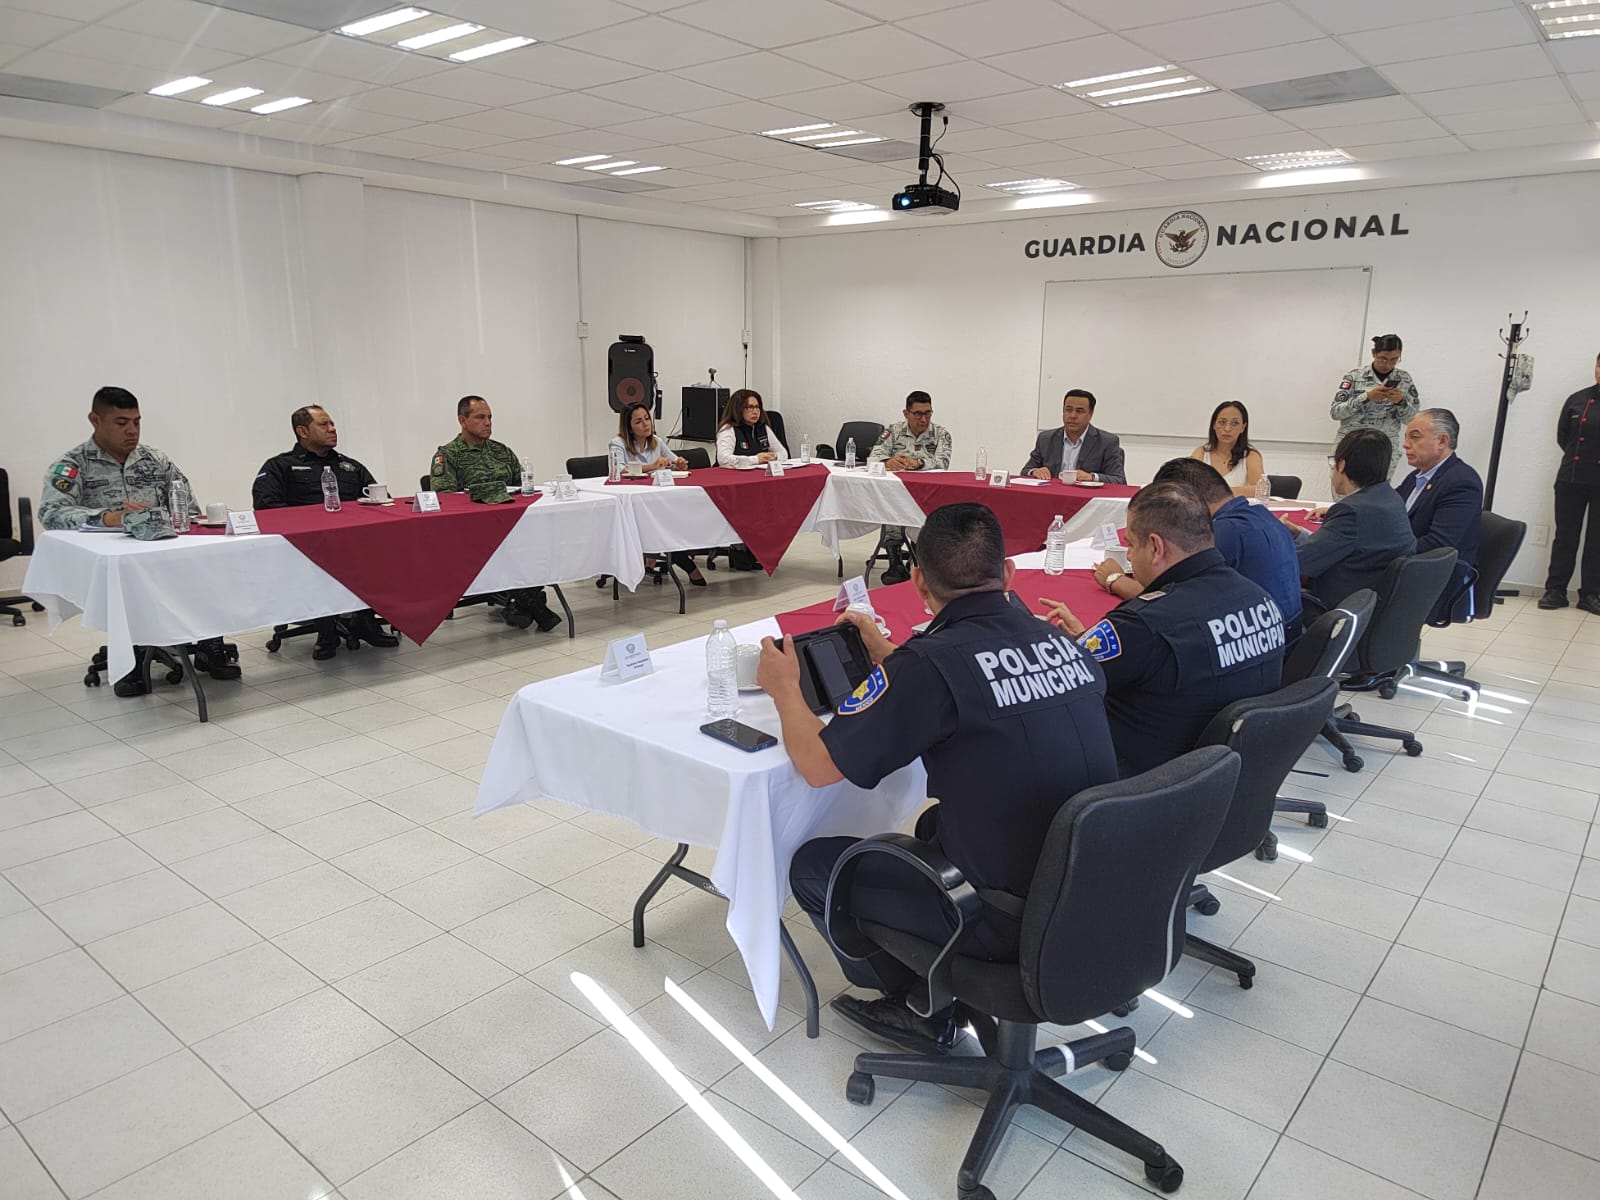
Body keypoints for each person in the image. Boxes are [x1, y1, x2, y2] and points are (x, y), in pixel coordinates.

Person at [769, 503, 1116, 1053]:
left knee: (814, 865)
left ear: (918, 581)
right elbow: (968, 678)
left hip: (1008, 914)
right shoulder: (1064, 642)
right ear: (1008, 573)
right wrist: (889, 656)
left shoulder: (929, 665)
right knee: (932, 826)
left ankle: (920, 1010)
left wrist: (784, 687)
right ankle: (936, 984)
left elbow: (817, 765)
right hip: (1096, 881)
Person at [1043, 482, 1285, 778]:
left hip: (1138, 784)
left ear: (1156, 548)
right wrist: (1087, 641)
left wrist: (1061, 643)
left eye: (1131, 545)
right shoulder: (1261, 600)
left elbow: (1054, 683)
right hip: (1222, 777)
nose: (1128, 556)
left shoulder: (1142, 625)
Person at [39, 386, 240, 695]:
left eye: (136, 422)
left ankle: (209, 644)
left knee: (207, 565)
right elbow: (51, 513)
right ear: (95, 420)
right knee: (128, 584)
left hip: (163, 551)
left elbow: (189, 508)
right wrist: (110, 517)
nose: (132, 430)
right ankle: (129, 659)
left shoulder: (154, 459)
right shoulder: (74, 464)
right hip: (115, 560)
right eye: (121, 423)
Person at [1091, 457, 1303, 639]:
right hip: (1285, 639)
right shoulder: (1263, 516)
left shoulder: (1221, 533)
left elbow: (1174, 606)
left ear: (1187, 501)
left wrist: (1115, 580)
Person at [251, 405, 402, 658]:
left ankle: (364, 621)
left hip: (354, 545)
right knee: (322, 563)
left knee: (385, 552)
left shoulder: (349, 467)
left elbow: (381, 499)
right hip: (305, 549)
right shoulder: (280, 466)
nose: (332, 429)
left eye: (332, 424)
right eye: (324, 424)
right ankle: (325, 628)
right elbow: (266, 507)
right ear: (302, 431)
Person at [429, 395, 562, 629]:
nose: (488, 422)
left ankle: (520, 603)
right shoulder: (448, 455)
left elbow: (523, 488)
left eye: (490, 417)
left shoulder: (502, 451)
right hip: (473, 531)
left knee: (543, 539)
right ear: (462, 420)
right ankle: (530, 603)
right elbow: (446, 499)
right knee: (508, 546)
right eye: (480, 417)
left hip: (512, 525)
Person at [1283, 429, 1416, 618]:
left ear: (1341, 464)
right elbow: (1339, 546)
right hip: (1377, 607)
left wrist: (1269, 543)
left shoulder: (1351, 511)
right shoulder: (1390, 498)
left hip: (1338, 610)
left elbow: (1300, 563)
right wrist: (1300, 534)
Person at [1398, 409, 1482, 623]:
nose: (1406, 445)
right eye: (1406, 437)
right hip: (1410, 564)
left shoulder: (1461, 482)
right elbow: (1386, 508)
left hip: (1438, 577)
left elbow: (1438, 544)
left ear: (1442, 441)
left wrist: (1383, 550)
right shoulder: (1417, 476)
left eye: (1415, 437)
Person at [609, 402, 705, 587]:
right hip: (632, 504)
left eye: (647, 419)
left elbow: (673, 461)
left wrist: (680, 464)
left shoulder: (656, 441)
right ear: (628, 426)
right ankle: (686, 564)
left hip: (657, 500)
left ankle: (656, 557)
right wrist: (651, 466)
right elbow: (620, 470)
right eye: (638, 421)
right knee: (666, 526)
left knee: (675, 520)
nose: (645, 424)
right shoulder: (618, 444)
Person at [869, 390, 952, 585]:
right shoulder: (893, 431)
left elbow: (943, 462)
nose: (924, 419)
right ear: (906, 413)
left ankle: (920, 552)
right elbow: (873, 456)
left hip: (928, 492)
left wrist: (919, 463)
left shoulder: (941, 434)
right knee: (892, 503)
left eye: (928, 413)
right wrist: (888, 461)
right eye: (918, 414)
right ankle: (895, 558)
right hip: (897, 490)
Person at [1539, 353, 1600, 614]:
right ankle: (1556, 590)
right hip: (1571, 477)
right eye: (1599, 365)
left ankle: (1591, 594)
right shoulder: (1577, 399)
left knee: (1597, 539)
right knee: (1565, 536)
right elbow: (1563, 436)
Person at [1331, 333, 1420, 477]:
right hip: (1352, 445)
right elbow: (1336, 412)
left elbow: (1412, 420)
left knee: (1378, 490)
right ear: (1374, 353)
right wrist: (1366, 397)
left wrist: (1400, 402)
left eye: (1394, 360)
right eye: (1383, 358)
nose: (1387, 364)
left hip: (1384, 448)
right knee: (1344, 489)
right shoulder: (1354, 376)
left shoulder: (1404, 379)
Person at [1022, 389, 1126, 483]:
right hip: (1052, 494)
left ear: (1090, 414)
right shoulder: (1046, 439)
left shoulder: (1107, 442)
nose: (1072, 416)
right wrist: (1034, 471)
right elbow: (1025, 471)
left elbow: (1119, 480)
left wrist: (1092, 477)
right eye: (1068, 410)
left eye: (1079, 411)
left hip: (1085, 496)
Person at [1190, 400, 1265, 496]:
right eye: (1222, 422)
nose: (1227, 428)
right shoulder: (1201, 453)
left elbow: (1260, 489)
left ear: (1243, 427)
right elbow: (1186, 485)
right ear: (1214, 425)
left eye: (1235, 423)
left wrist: (1221, 492)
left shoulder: (1251, 456)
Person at [715, 388, 788, 468]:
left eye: (757, 407)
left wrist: (774, 457)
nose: (755, 412)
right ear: (738, 409)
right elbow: (723, 459)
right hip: (732, 474)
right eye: (750, 407)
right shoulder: (728, 429)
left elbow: (783, 453)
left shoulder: (763, 428)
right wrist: (756, 459)